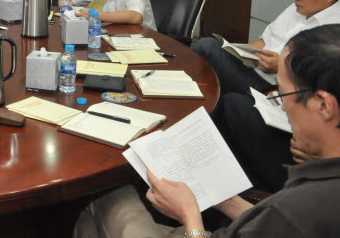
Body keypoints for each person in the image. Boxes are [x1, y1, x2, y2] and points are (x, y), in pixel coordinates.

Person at [74, 24, 340, 238]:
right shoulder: (312, 194)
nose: (282, 107)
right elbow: (272, 227)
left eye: (282, 94)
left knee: (106, 194)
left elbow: (282, 220)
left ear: (323, 105)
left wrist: (189, 214)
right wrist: (224, 200)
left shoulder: (304, 204)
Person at [192, 0, 340, 96]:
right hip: (254, 70)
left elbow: (321, 77)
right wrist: (238, 52)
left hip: (276, 88)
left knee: (206, 47)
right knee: (210, 54)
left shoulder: (334, 28)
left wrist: (282, 66)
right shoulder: (296, 8)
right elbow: (264, 42)